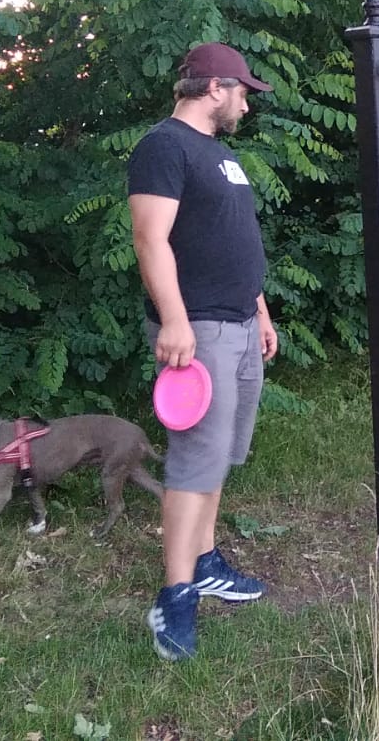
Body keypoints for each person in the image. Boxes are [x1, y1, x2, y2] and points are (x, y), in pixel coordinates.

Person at [128, 42, 279, 661]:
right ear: (215, 87)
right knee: (195, 460)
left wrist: (260, 311)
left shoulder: (221, 155)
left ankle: (206, 558)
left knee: (220, 454)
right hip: (198, 330)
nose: (247, 103)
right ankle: (174, 596)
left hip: (239, 324)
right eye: (243, 91)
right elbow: (150, 239)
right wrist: (173, 320)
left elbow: (233, 239)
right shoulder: (163, 147)